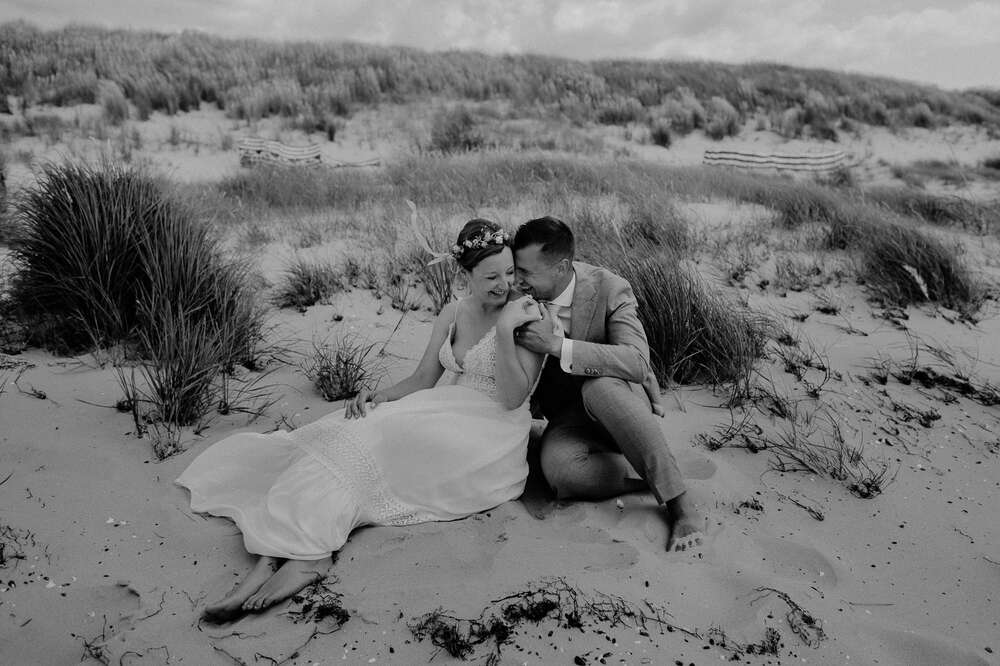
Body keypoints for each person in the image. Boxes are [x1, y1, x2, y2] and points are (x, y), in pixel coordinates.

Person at [176, 219, 546, 622]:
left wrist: (507, 328)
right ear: (464, 275)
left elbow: (512, 399)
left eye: (509, 273)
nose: (503, 284)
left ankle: (306, 554)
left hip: (488, 435)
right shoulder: (453, 312)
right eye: (491, 276)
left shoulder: (525, 315)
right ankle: (275, 552)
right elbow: (423, 379)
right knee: (350, 427)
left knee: (377, 439)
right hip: (444, 411)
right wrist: (378, 396)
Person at [511, 216, 702, 552]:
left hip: (617, 402)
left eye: (526, 272)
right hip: (568, 417)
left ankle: (680, 503)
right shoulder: (516, 295)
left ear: (561, 267)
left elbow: (637, 361)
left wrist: (557, 346)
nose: (519, 280)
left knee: (597, 388)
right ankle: (644, 469)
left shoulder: (610, 287)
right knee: (560, 472)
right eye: (517, 269)